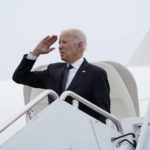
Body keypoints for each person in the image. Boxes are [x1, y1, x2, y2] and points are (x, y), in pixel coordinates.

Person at [13, 29, 110, 123]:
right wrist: (35, 52)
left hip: (83, 133)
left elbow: (103, 114)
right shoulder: (53, 70)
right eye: (59, 43)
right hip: (56, 132)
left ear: (80, 45)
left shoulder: (96, 74)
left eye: (64, 42)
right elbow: (20, 77)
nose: (60, 46)